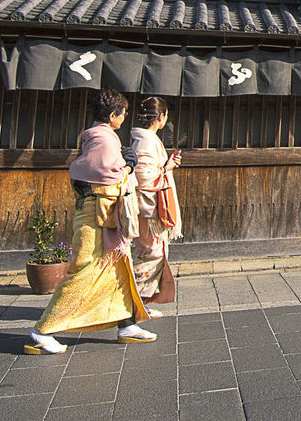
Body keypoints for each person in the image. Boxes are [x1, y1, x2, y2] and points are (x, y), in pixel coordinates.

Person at [26, 89, 153, 355]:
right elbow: (106, 176)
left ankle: (126, 323)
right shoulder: (105, 140)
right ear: (112, 115)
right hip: (96, 215)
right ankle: (42, 330)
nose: (125, 116)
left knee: (118, 268)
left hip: (103, 215)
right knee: (85, 269)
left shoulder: (98, 136)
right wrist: (129, 167)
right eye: (123, 113)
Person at [131, 97, 183, 309]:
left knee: (151, 252)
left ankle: (140, 302)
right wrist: (166, 168)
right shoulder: (147, 141)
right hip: (149, 207)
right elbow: (144, 177)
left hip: (149, 206)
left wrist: (166, 166)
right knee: (151, 253)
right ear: (161, 117)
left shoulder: (145, 139)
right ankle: (133, 302)